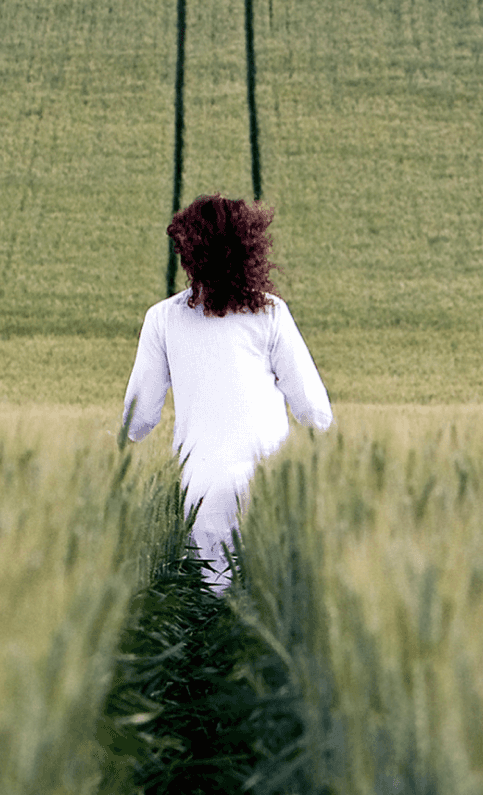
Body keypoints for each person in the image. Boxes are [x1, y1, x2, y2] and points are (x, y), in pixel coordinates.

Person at [122, 193, 333, 592]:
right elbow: (315, 413)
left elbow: (137, 422)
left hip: (198, 496)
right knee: (264, 609)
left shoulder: (162, 319)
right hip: (267, 489)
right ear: (248, 248)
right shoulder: (271, 314)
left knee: (209, 608)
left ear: (187, 255)